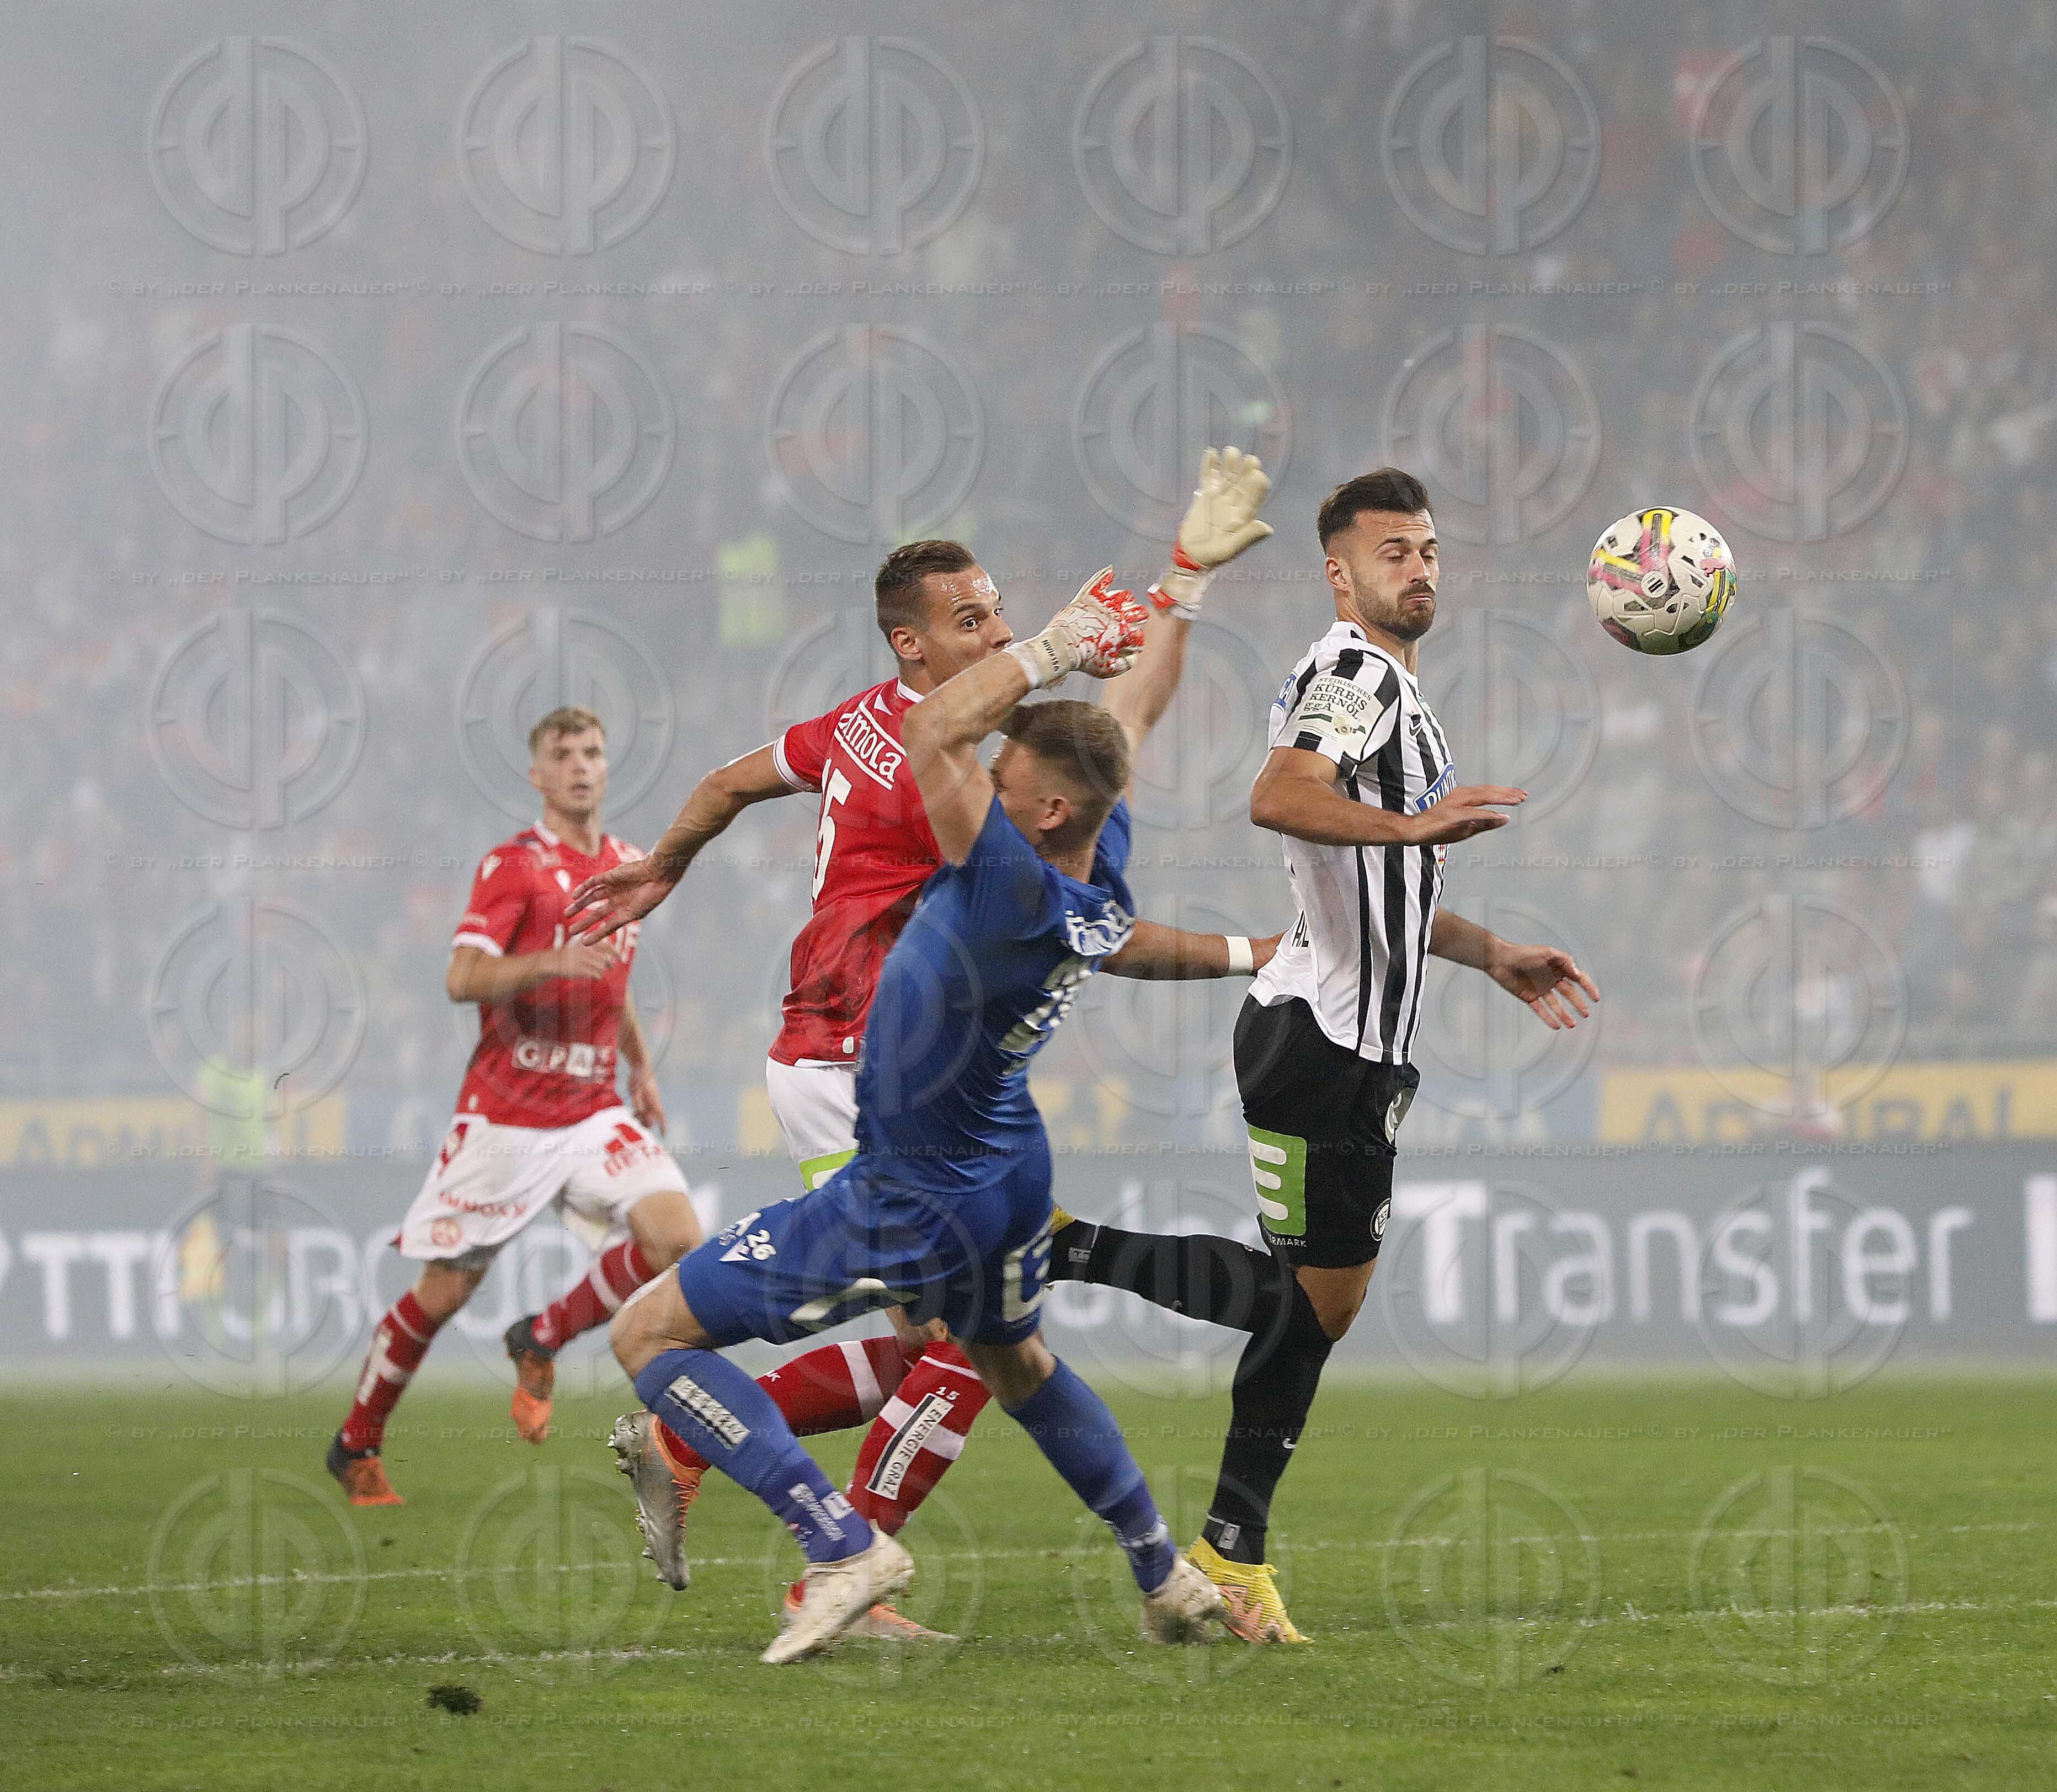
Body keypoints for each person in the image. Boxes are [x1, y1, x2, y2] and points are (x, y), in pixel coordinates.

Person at [565, 449, 1276, 1635]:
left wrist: (1155, 593)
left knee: (960, 1350)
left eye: (997, 610)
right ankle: (844, 1551)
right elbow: (1099, 737)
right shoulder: (965, 786)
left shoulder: (887, 738)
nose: (996, 624)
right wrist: (1120, 613)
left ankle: (810, 1521)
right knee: (968, 1348)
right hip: (870, 1072)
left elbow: (737, 777)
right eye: (973, 616)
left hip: (881, 1077)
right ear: (913, 645)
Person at [1048, 468, 1600, 1641]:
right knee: (1304, 1305)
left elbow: (1384, 882)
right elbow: (1279, 797)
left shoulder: (1393, 691)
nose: (1420, 567)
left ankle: (1228, 1545)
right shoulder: (1352, 673)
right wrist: (1414, 826)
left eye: (1431, 549)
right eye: (1393, 551)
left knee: (1313, 1307)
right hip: (1321, 1040)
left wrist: (1488, 949)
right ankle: (1076, 1265)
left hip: (1350, 1040)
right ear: (1341, 574)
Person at [324, 707, 702, 1505]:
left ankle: (542, 1336)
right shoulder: (513, 867)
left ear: (608, 766)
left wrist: (641, 1070)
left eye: (593, 752)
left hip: (595, 1106)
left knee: (678, 1237)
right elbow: (461, 978)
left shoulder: (630, 865)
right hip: (507, 1117)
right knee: (444, 1293)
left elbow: (613, 977)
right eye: (562, 755)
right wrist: (551, 961)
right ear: (538, 775)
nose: (580, 766)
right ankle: (355, 1441)